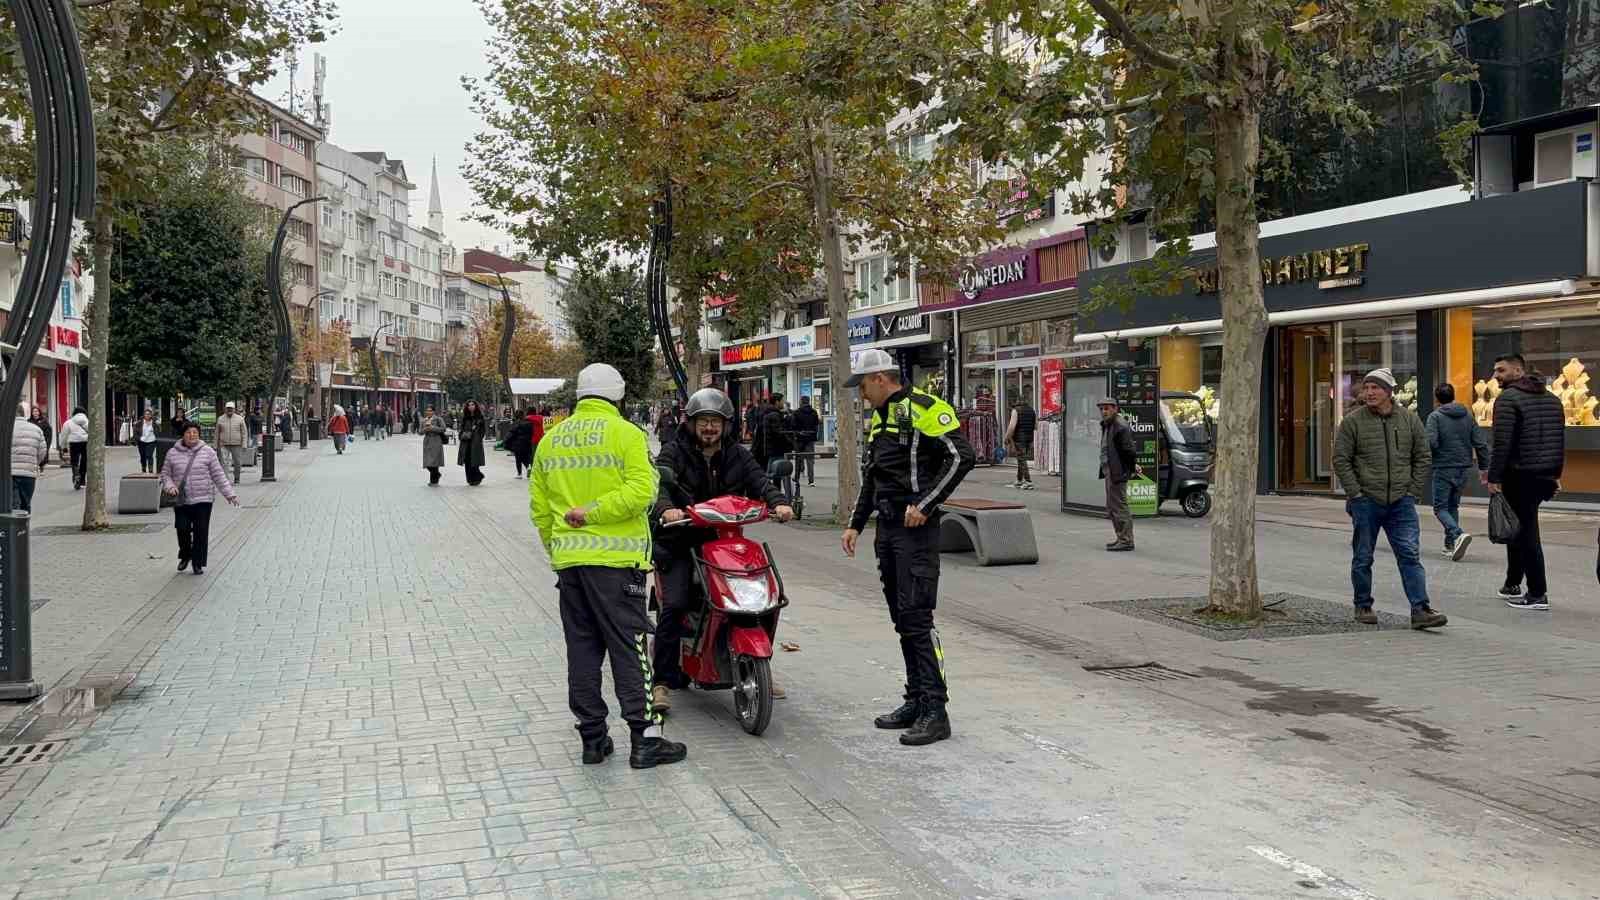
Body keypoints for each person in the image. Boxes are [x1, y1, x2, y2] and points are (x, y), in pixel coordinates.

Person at [531, 363, 686, 769]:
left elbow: (540, 510)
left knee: (582, 650)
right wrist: (595, 512)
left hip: (570, 565)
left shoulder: (551, 440)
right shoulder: (627, 434)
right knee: (629, 648)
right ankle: (645, 740)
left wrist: (559, 549)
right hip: (617, 565)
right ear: (618, 396)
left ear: (579, 395)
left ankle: (593, 739)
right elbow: (642, 491)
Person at [841, 349, 975, 747]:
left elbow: (961, 457)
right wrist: (855, 523)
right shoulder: (880, 418)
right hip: (888, 531)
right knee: (902, 620)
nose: (861, 394)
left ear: (881, 378)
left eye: (863, 385)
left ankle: (937, 710)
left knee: (918, 620)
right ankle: (916, 700)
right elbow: (872, 476)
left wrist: (926, 504)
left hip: (916, 531)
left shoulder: (924, 407)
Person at [651, 388, 794, 712]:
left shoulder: (738, 454)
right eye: (703, 421)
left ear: (726, 425)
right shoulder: (673, 451)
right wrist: (666, 509)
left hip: (727, 544)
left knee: (766, 598)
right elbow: (658, 486)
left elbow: (760, 481)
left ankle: (760, 666)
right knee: (674, 605)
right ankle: (661, 681)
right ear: (692, 423)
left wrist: (779, 502)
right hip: (681, 542)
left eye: (715, 421)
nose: (709, 428)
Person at [1332, 368, 1447, 629]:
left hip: (1401, 502)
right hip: (1366, 501)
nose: (1370, 393)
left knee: (1409, 555)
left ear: (1389, 392)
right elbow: (1341, 459)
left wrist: (1412, 492)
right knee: (1363, 557)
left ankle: (1421, 610)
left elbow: (1422, 456)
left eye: (1376, 388)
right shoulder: (1352, 422)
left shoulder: (1409, 420)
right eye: (1367, 388)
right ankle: (1363, 605)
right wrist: (1356, 493)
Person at [1488, 352, 1566, 611]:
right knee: (1518, 527)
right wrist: (1555, 475)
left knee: (1527, 532)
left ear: (1518, 371)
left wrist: (1494, 477)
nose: (1496, 376)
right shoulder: (1553, 399)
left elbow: (1502, 443)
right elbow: (1558, 441)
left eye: (1501, 371)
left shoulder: (1507, 399)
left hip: (1519, 474)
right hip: (1543, 474)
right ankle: (1512, 582)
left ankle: (1537, 592)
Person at [159, 421, 239, 576]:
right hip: (181, 499)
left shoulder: (207, 452)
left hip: (203, 499)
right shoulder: (172, 453)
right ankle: (185, 555)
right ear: (183, 434)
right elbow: (165, 474)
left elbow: (218, 475)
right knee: (182, 529)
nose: (192, 435)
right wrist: (169, 486)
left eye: (195, 432)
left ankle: (197, 562)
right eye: (189, 432)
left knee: (200, 532)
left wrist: (230, 494)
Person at [1425, 382, 1490, 562]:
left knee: (1440, 508)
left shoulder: (1435, 417)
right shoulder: (1467, 415)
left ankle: (1457, 534)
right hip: (1463, 468)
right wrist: (1484, 467)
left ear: (1436, 398)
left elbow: (1431, 442)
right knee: (1452, 506)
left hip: (1443, 467)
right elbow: (1481, 443)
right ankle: (1450, 545)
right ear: (1453, 395)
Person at [1097, 398, 1137, 551]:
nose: (1103, 411)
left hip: (1117, 471)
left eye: (1106, 408)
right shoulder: (1109, 424)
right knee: (1113, 506)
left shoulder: (1120, 426)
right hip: (1110, 470)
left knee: (1119, 506)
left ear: (1115, 408)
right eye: (1102, 409)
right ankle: (1121, 537)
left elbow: (1129, 451)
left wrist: (1130, 469)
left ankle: (1126, 540)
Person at [11, 403, 47, 513]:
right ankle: (24, 528)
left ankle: (13, 528)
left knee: (12, 504)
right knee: (26, 504)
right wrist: (34, 463)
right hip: (28, 474)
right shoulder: (36, 429)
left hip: (10, 473)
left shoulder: (5, 429)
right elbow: (42, 451)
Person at [1006, 396, 1038, 490]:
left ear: (1017, 402)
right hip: (1029, 438)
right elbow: (1036, 426)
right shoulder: (1032, 411)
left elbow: (1012, 426)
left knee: (1022, 459)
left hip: (1019, 439)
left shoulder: (1016, 411)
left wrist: (1007, 437)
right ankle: (1019, 480)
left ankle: (1028, 481)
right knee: (1021, 459)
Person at [215, 401, 250, 484]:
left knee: (238, 462)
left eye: (231, 408)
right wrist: (215, 445)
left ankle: (237, 477)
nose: (229, 410)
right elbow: (217, 433)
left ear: (234, 409)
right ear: (225, 409)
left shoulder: (240, 419)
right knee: (224, 462)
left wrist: (244, 444)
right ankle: (226, 480)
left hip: (237, 444)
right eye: (228, 408)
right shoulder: (220, 419)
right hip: (223, 444)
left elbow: (244, 432)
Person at [456, 400, 488, 486]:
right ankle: (470, 479)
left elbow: (483, 430)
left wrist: (479, 438)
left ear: (475, 406)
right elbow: (461, 428)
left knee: (474, 460)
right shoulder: (465, 417)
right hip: (466, 441)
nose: (471, 406)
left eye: (472, 405)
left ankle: (477, 478)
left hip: (475, 442)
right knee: (467, 460)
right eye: (469, 405)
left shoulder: (480, 417)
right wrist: (461, 435)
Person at [790, 395, 821, 486]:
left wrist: (798, 433)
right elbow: (816, 424)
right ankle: (811, 480)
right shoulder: (814, 412)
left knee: (798, 459)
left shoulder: (796, 412)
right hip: (810, 439)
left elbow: (793, 425)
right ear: (809, 402)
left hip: (800, 438)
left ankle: (797, 477)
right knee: (810, 460)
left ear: (801, 402)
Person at [59, 406, 89, 491]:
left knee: (74, 461)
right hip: (85, 442)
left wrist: (63, 446)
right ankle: (82, 480)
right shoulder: (87, 421)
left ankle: (76, 474)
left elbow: (64, 435)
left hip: (73, 443)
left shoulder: (68, 422)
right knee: (84, 460)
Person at [505, 408, 537, 479]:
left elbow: (511, 433)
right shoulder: (529, 423)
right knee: (526, 457)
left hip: (518, 444)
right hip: (528, 443)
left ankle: (519, 474)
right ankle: (528, 467)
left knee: (518, 459)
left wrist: (506, 441)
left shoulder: (516, 423)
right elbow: (532, 432)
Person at [421, 406, 447, 485]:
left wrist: (432, 428)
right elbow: (420, 432)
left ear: (434, 411)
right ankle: (437, 475)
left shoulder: (438, 419)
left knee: (434, 462)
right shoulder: (424, 420)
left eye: (430, 411)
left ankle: (433, 481)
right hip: (427, 442)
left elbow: (443, 429)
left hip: (436, 441)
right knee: (428, 463)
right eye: (427, 411)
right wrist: (425, 429)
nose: (428, 412)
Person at [134, 409, 159, 473]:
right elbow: (135, 432)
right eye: (146, 414)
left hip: (151, 441)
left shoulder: (154, 423)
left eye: (149, 414)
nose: (147, 415)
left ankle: (150, 470)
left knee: (149, 455)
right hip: (142, 442)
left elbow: (157, 431)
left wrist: (157, 438)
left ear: (151, 415)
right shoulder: (139, 423)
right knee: (143, 456)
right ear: (144, 415)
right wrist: (138, 438)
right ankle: (143, 468)